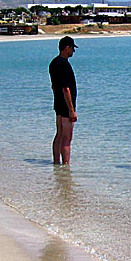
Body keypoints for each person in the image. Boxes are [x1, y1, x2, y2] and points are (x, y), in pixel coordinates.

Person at [49, 36, 78, 165]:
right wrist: (72, 110)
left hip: (58, 103)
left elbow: (54, 87)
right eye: (72, 48)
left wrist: (57, 99)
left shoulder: (53, 63)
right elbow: (66, 89)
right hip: (66, 105)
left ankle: (56, 163)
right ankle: (66, 166)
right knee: (67, 138)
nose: (73, 51)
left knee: (59, 134)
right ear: (67, 48)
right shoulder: (64, 65)